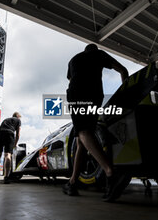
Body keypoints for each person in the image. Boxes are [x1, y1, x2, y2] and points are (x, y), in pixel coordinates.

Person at [63, 43, 129, 202]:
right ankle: (72, 183)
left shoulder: (74, 59)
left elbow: (71, 79)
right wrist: (125, 94)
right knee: (82, 141)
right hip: (95, 95)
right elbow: (123, 70)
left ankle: (111, 172)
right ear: (95, 50)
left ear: (84, 51)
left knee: (83, 133)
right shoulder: (99, 55)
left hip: (77, 93)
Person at [0, 112, 21, 184]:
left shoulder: (6, 119)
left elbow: (0, 128)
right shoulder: (18, 120)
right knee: (8, 155)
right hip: (9, 134)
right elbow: (18, 134)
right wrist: (15, 144)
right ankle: (6, 177)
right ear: (18, 116)